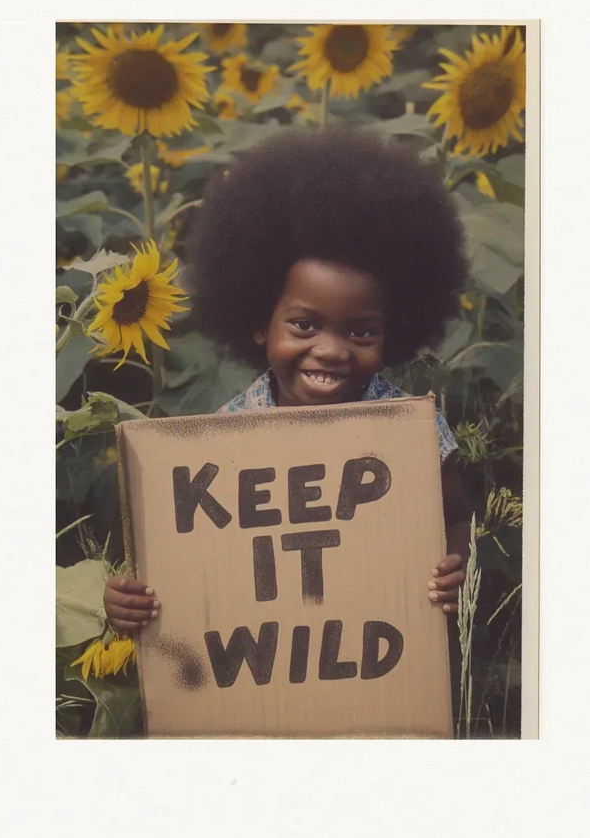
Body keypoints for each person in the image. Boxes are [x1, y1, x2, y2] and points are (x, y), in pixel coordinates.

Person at [105, 124, 474, 635]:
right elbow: (183, 564)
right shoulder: (222, 439)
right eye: (305, 325)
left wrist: (455, 564)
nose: (330, 350)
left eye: (361, 331)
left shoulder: (415, 434)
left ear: (394, 332)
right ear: (259, 320)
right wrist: (131, 601)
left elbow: (456, 517)